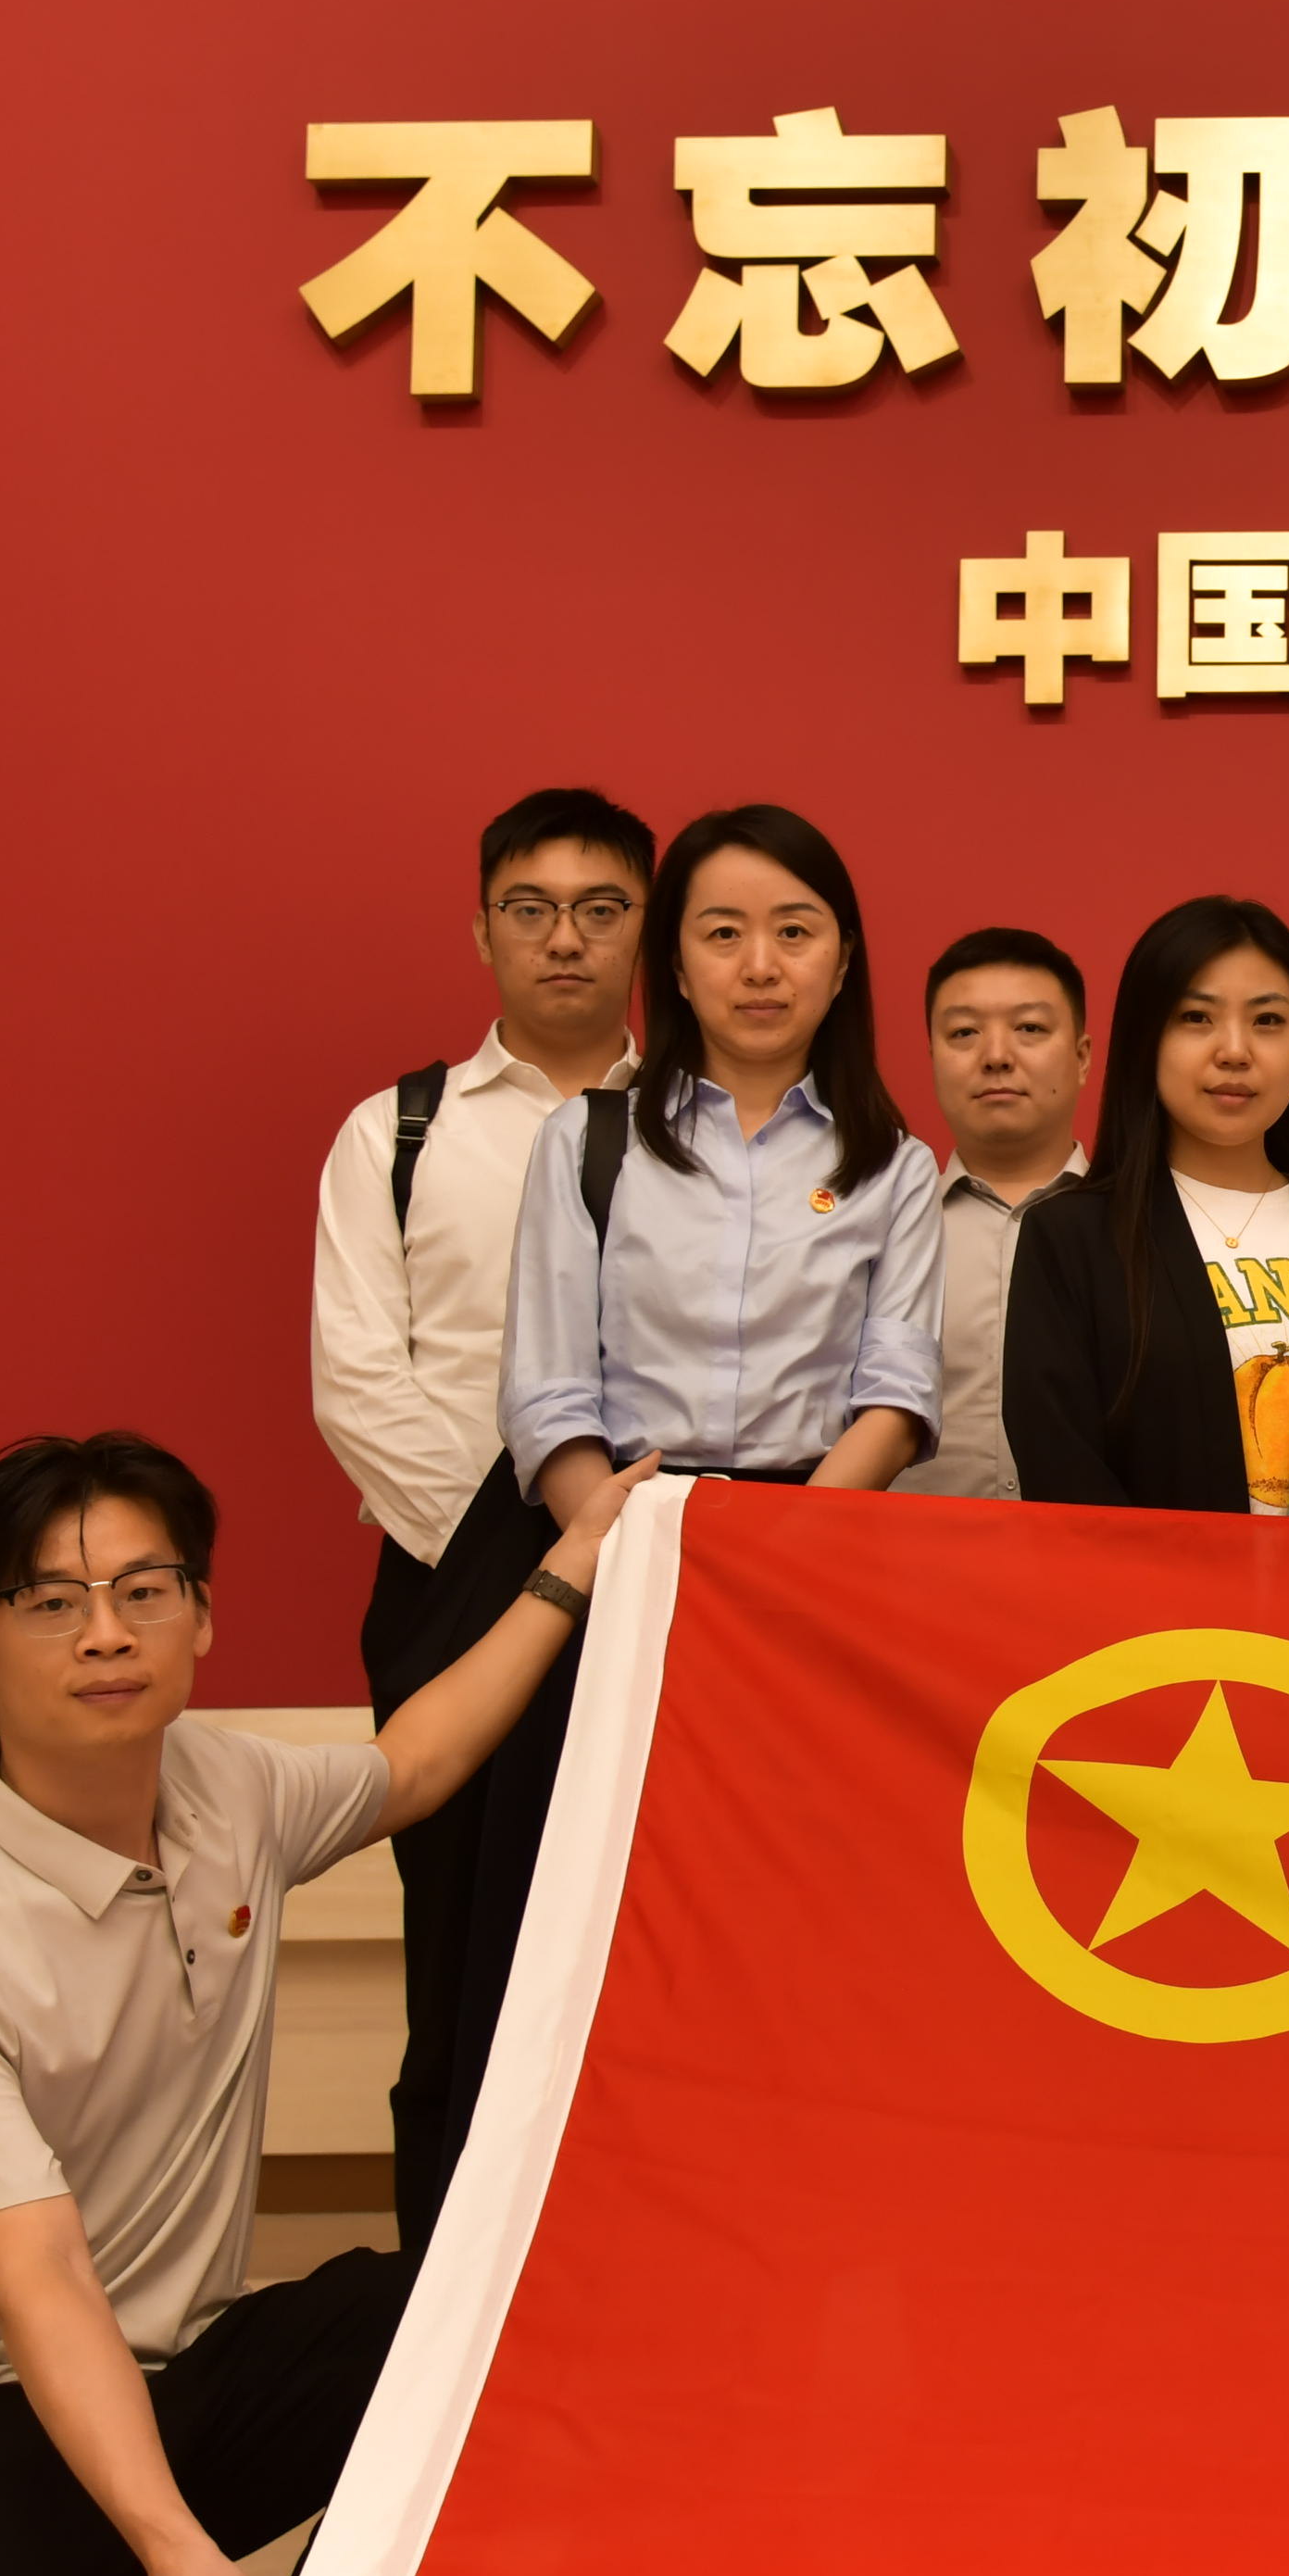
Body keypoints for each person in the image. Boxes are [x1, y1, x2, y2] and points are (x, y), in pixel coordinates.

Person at [0, 1426, 644, 2576]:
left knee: (523, 2311)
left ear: (200, 1615)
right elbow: (43, 2283)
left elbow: (417, 1763)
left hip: (195, 2366)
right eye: (52, 1603)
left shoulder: (222, 1788)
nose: (108, 1635)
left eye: (146, 1589)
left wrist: (574, 1565)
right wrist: (173, 2546)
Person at [434, 803, 943, 2219]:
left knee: (789, 1932)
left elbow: (895, 1394)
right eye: (723, 934)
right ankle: (547, 2235)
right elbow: (548, 1390)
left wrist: (774, 1557)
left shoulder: (894, 1162)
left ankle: (786, 2218)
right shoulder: (591, 1142)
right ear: (675, 960)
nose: (760, 965)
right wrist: (630, 1552)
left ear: (845, 958)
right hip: (611, 1554)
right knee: (577, 1927)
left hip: (811, 1568)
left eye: (794, 932)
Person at [300, 784, 644, 2240]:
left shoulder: (707, 1125)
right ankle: (439, 2283)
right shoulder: (399, 1131)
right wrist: (507, 1549)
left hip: (662, 1581)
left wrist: (627, 1544)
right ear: (483, 932)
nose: (565, 939)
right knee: (459, 1951)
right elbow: (355, 1377)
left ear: (645, 935)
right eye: (531, 910)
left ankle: (622, 2255)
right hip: (454, 1578)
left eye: (601, 910)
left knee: (637, 1941)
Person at [1004, 896, 1289, 1517]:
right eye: (1196, 1017)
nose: (1235, 1050)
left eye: (1268, 1020)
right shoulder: (1068, 1239)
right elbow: (1061, 1470)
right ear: (1145, 1043)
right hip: (1138, 1586)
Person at [894, 926, 1091, 1502]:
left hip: (1093, 1551)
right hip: (913, 1552)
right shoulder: (884, 1231)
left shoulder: (1143, 1227)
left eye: (1030, 1029)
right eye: (964, 1033)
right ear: (933, 1058)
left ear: (1081, 1057)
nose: (997, 1056)